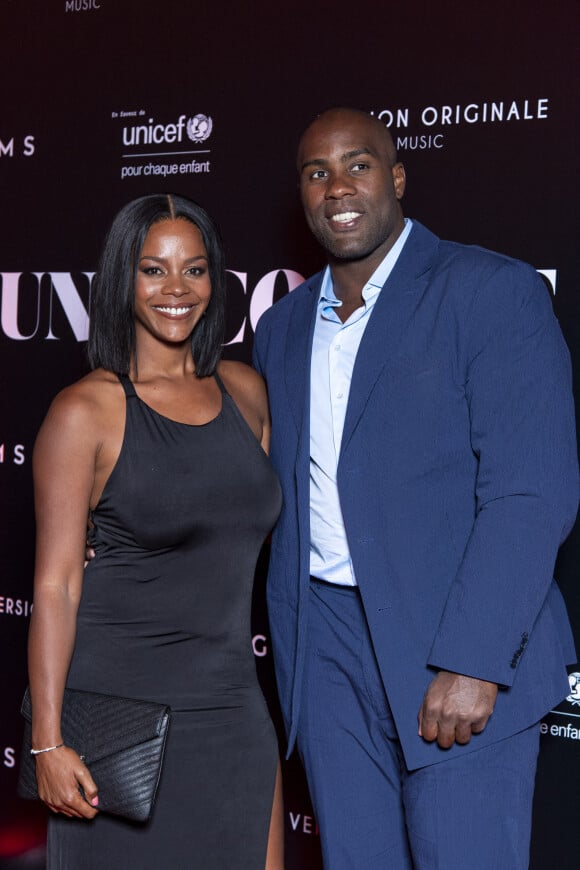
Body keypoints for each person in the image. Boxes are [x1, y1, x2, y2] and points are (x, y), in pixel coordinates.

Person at [253, 108, 578, 869]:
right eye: (316, 173)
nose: (338, 187)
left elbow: (531, 494)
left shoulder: (492, 291)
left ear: (396, 177)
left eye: (358, 165)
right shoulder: (282, 329)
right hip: (325, 650)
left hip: (452, 641)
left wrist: (474, 660)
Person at [27, 193, 284, 869]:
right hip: (118, 724)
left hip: (233, 711)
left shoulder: (246, 393)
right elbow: (55, 587)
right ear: (123, 279)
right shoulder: (86, 410)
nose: (177, 289)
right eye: (154, 269)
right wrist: (48, 742)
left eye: (195, 270)